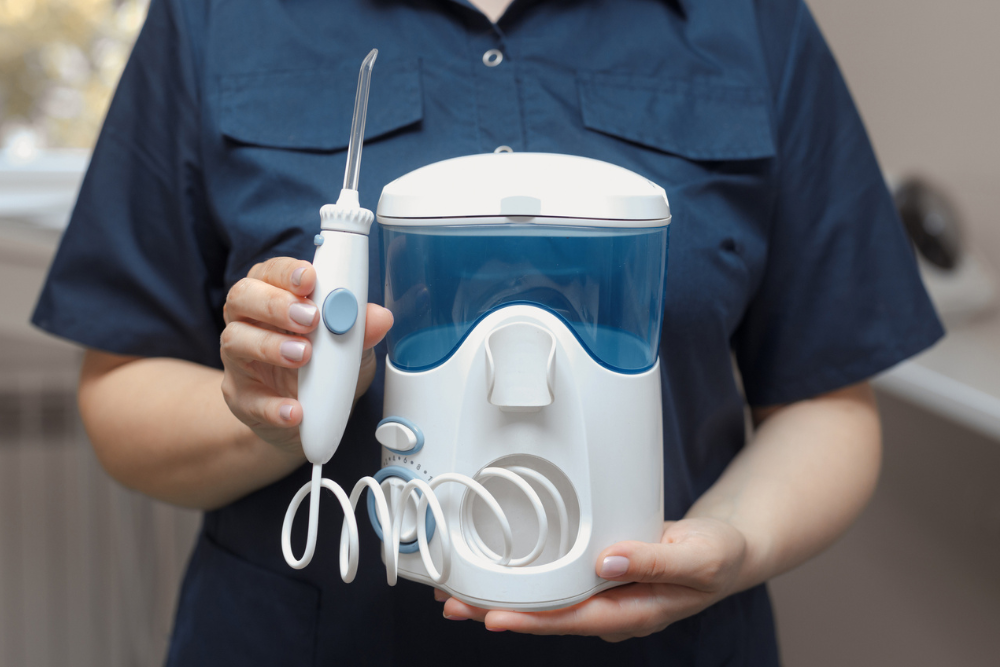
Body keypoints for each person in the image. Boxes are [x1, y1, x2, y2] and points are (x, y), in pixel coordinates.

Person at [32, 0, 943, 664]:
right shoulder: (215, 17)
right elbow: (121, 391)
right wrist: (282, 404)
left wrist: (735, 539)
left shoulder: (749, 20)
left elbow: (829, 398)